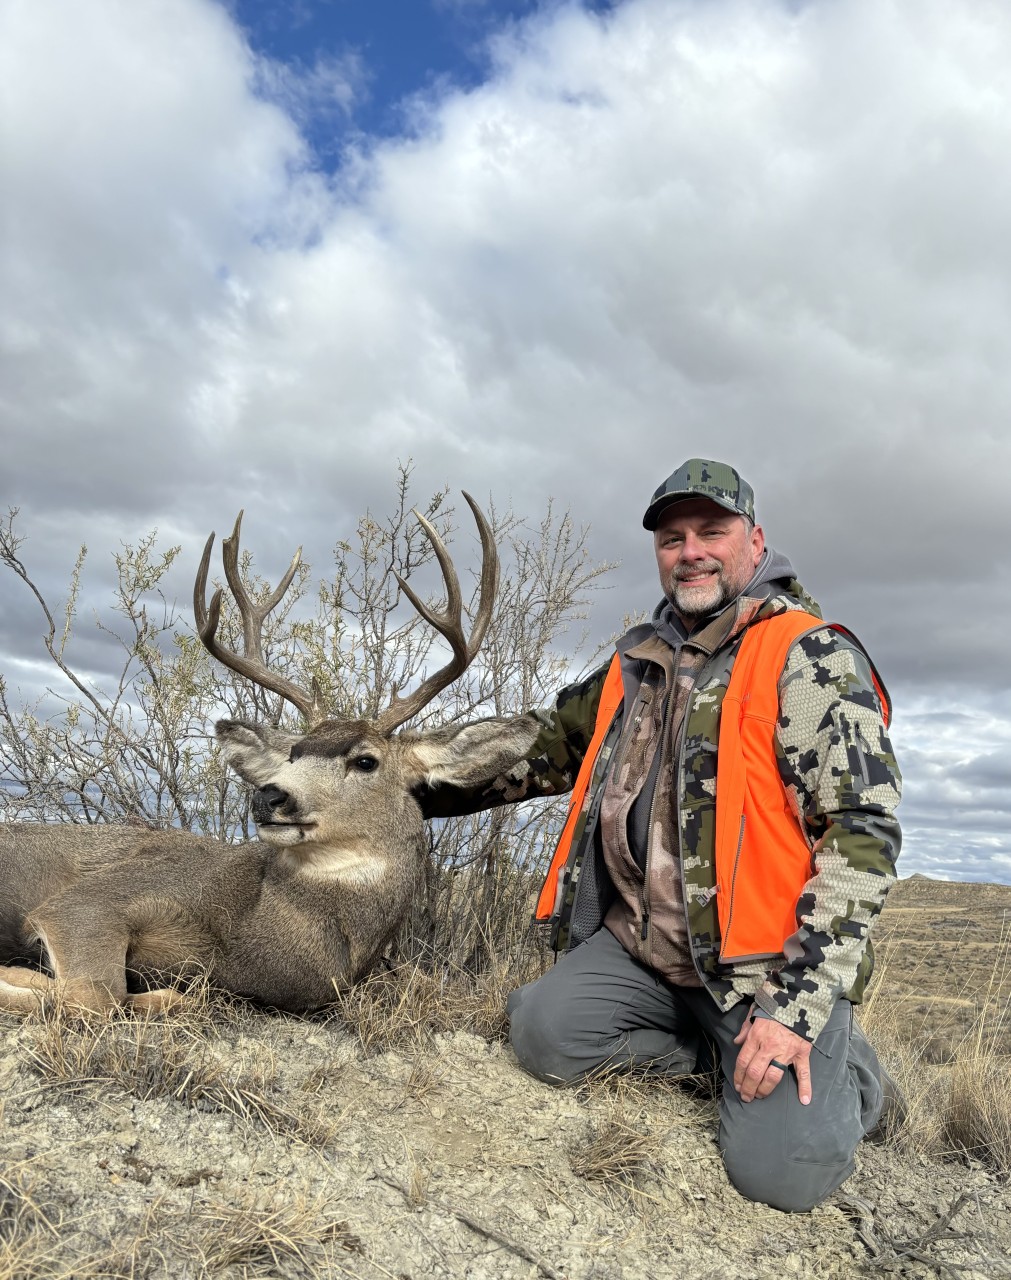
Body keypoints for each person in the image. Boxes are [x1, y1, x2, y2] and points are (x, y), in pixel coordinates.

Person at [424, 459, 902, 1214]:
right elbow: (542, 750)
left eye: (712, 531)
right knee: (543, 1039)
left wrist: (794, 1009)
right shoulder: (636, 658)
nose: (691, 552)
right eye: (672, 538)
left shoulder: (808, 656)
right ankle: (716, 1054)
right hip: (645, 949)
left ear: (754, 540)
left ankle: (850, 1074)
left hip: (758, 966)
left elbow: (862, 832)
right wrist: (395, 783)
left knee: (781, 1178)